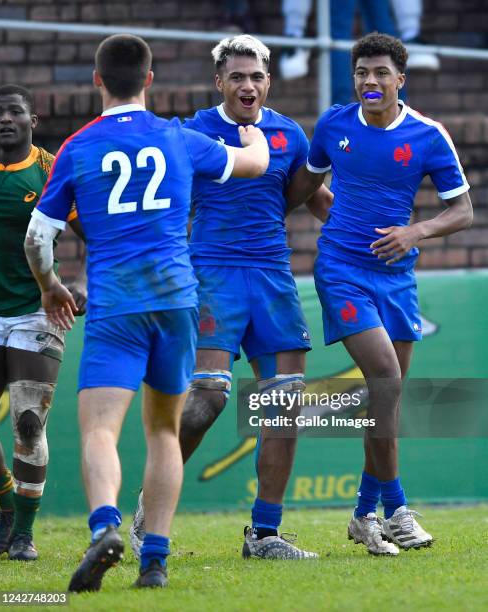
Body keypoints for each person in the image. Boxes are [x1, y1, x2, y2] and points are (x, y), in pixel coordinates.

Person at [24, 34, 269, 591]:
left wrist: (51, 287)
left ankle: (106, 526)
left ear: (97, 81)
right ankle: (154, 559)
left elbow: (39, 236)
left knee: (100, 431)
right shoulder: (180, 138)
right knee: (163, 432)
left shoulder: (77, 147)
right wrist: (255, 138)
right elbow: (254, 163)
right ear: (150, 80)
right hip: (178, 301)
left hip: (117, 304)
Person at [130, 34, 333, 560]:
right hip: (211, 274)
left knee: (284, 404)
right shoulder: (193, 132)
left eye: (256, 76)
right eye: (236, 76)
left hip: (272, 276)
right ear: (219, 81)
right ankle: (148, 512)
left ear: (269, 81)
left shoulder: (289, 133)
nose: (247, 85)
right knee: (209, 398)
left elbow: (309, 198)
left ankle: (264, 535)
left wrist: (373, 240)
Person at [286, 33, 472, 555]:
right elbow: (307, 186)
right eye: (362, 73)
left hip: (397, 278)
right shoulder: (333, 125)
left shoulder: (429, 135)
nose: (370, 82)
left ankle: (363, 514)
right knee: (386, 380)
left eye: (381, 73)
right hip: (341, 270)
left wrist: (414, 233)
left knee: (386, 402)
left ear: (400, 80)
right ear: (355, 79)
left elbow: (463, 212)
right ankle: (398, 512)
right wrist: (269, 217)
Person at [0, 84, 85, 562]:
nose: (4, 119)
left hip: (37, 311)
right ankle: (7, 509)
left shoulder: (51, 170)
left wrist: (85, 281)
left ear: (34, 119)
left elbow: (91, 230)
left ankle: (24, 536)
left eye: (14, 112)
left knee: (28, 423)